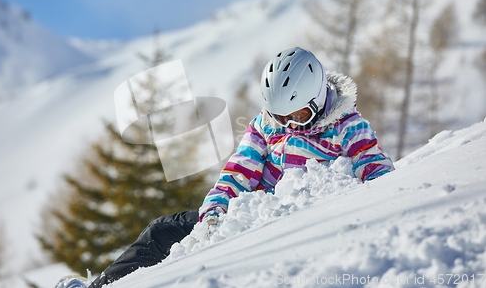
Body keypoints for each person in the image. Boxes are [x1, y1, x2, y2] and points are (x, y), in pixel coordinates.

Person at [58, 47, 394, 288]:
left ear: (319, 99)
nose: (291, 125)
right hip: (244, 217)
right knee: (161, 231)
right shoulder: (266, 126)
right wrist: (215, 213)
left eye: (299, 116)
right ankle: (100, 286)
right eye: (282, 117)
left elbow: (380, 176)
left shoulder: (349, 128)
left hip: (295, 227)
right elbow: (238, 171)